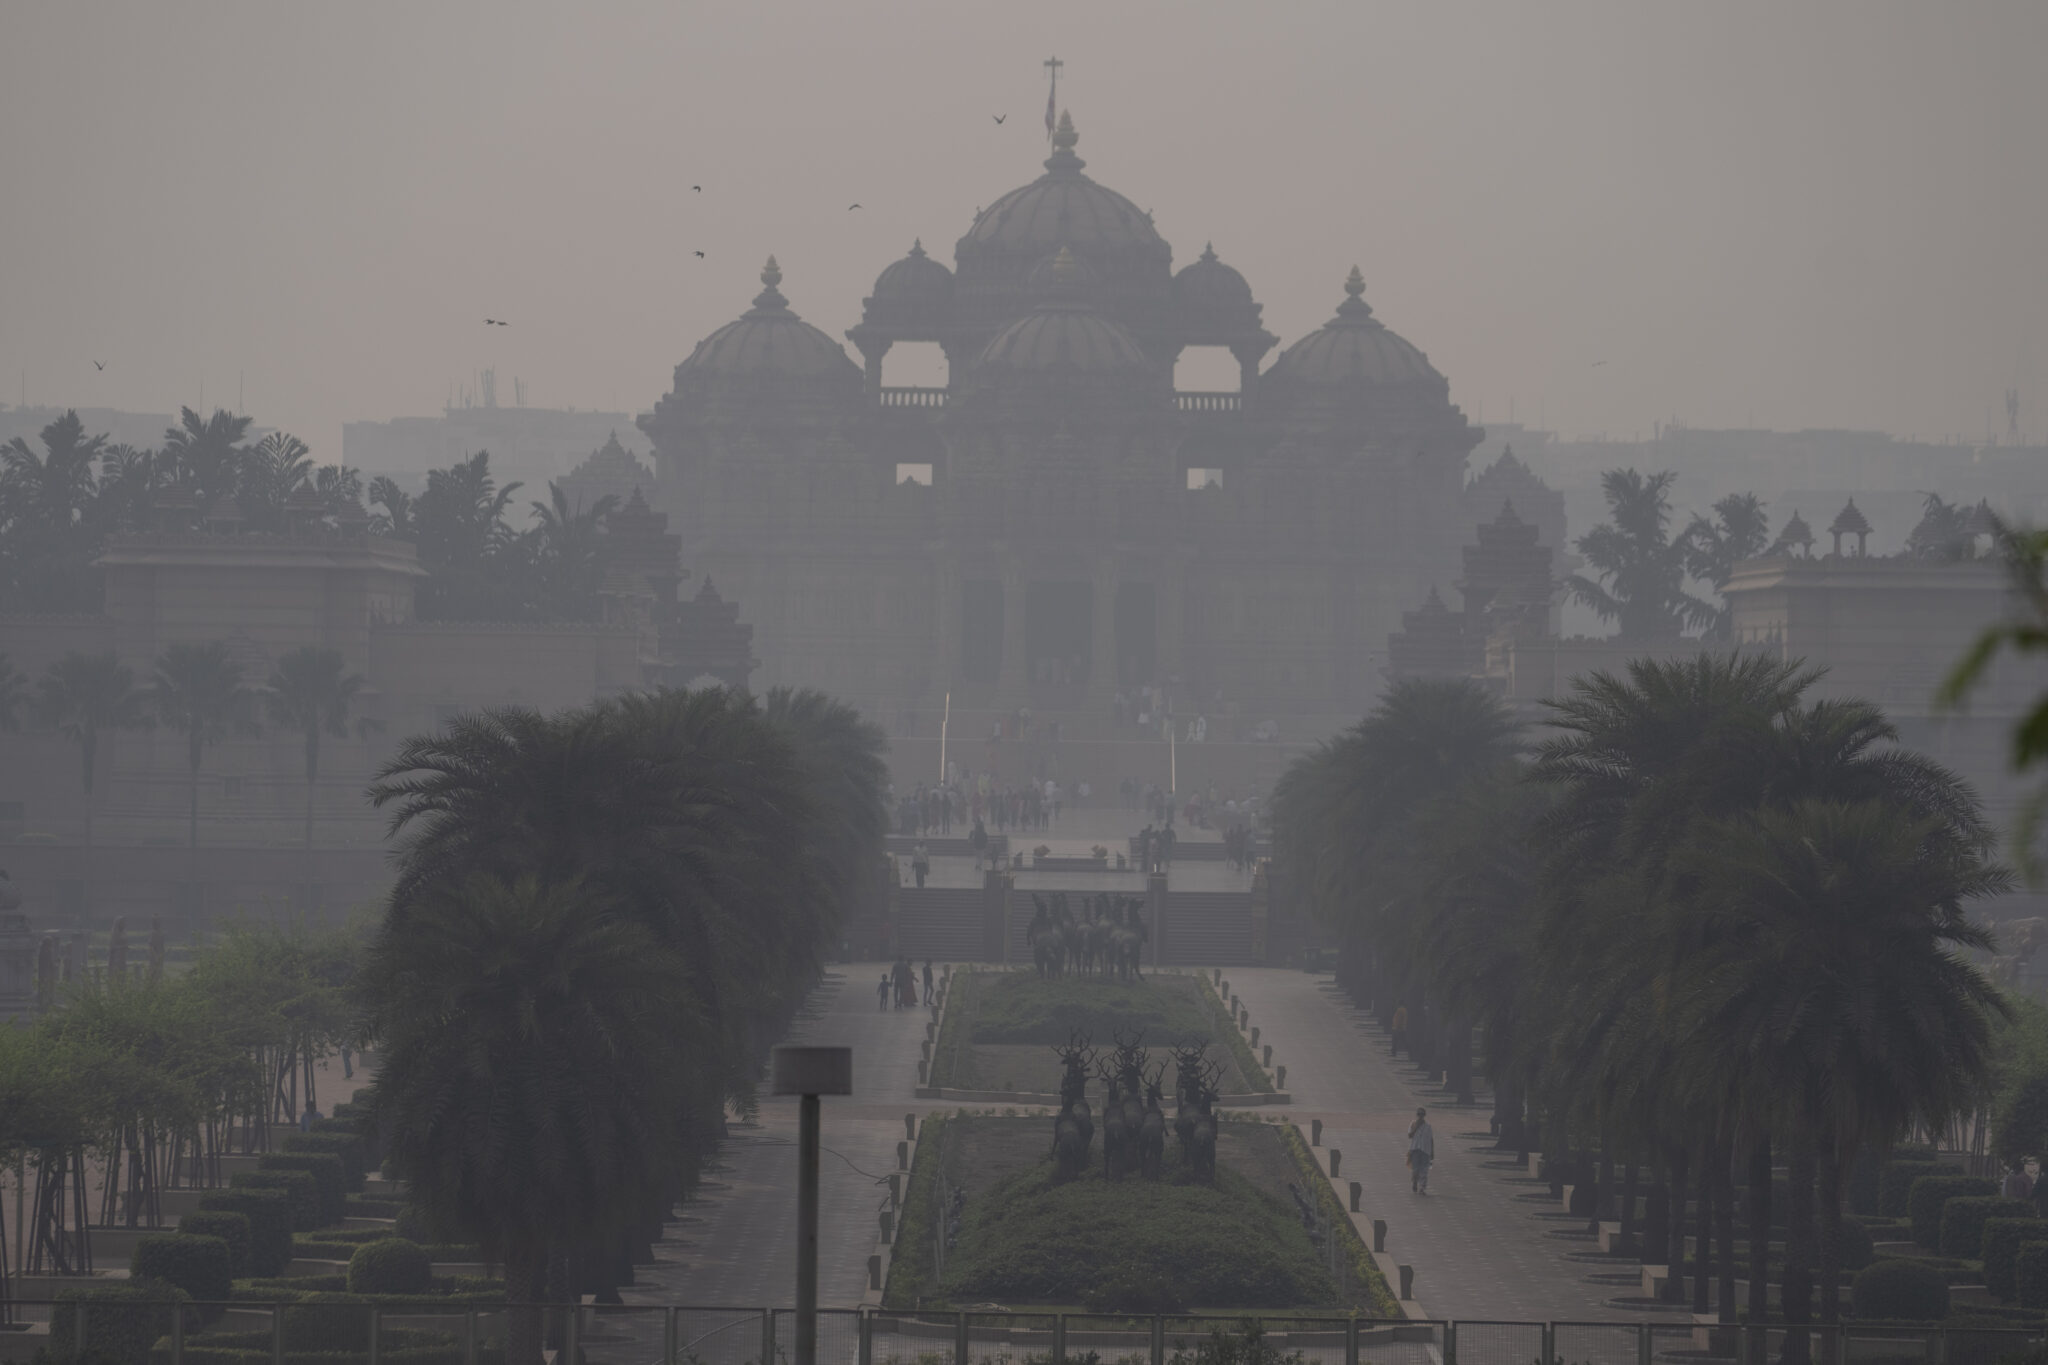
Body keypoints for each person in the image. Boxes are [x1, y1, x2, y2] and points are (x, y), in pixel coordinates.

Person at [1408, 1107, 1435, 1194]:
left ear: (1424, 1115)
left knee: (1424, 1170)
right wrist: (1416, 1126)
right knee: (1415, 1169)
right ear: (1417, 1115)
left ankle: (1422, 1188)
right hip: (1415, 1149)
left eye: (1422, 1114)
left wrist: (1432, 1151)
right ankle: (1415, 1182)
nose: (1420, 1116)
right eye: (1419, 1114)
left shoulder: (1428, 1126)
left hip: (1425, 1150)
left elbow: (1431, 1139)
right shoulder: (1413, 1124)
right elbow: (1410, 1135)